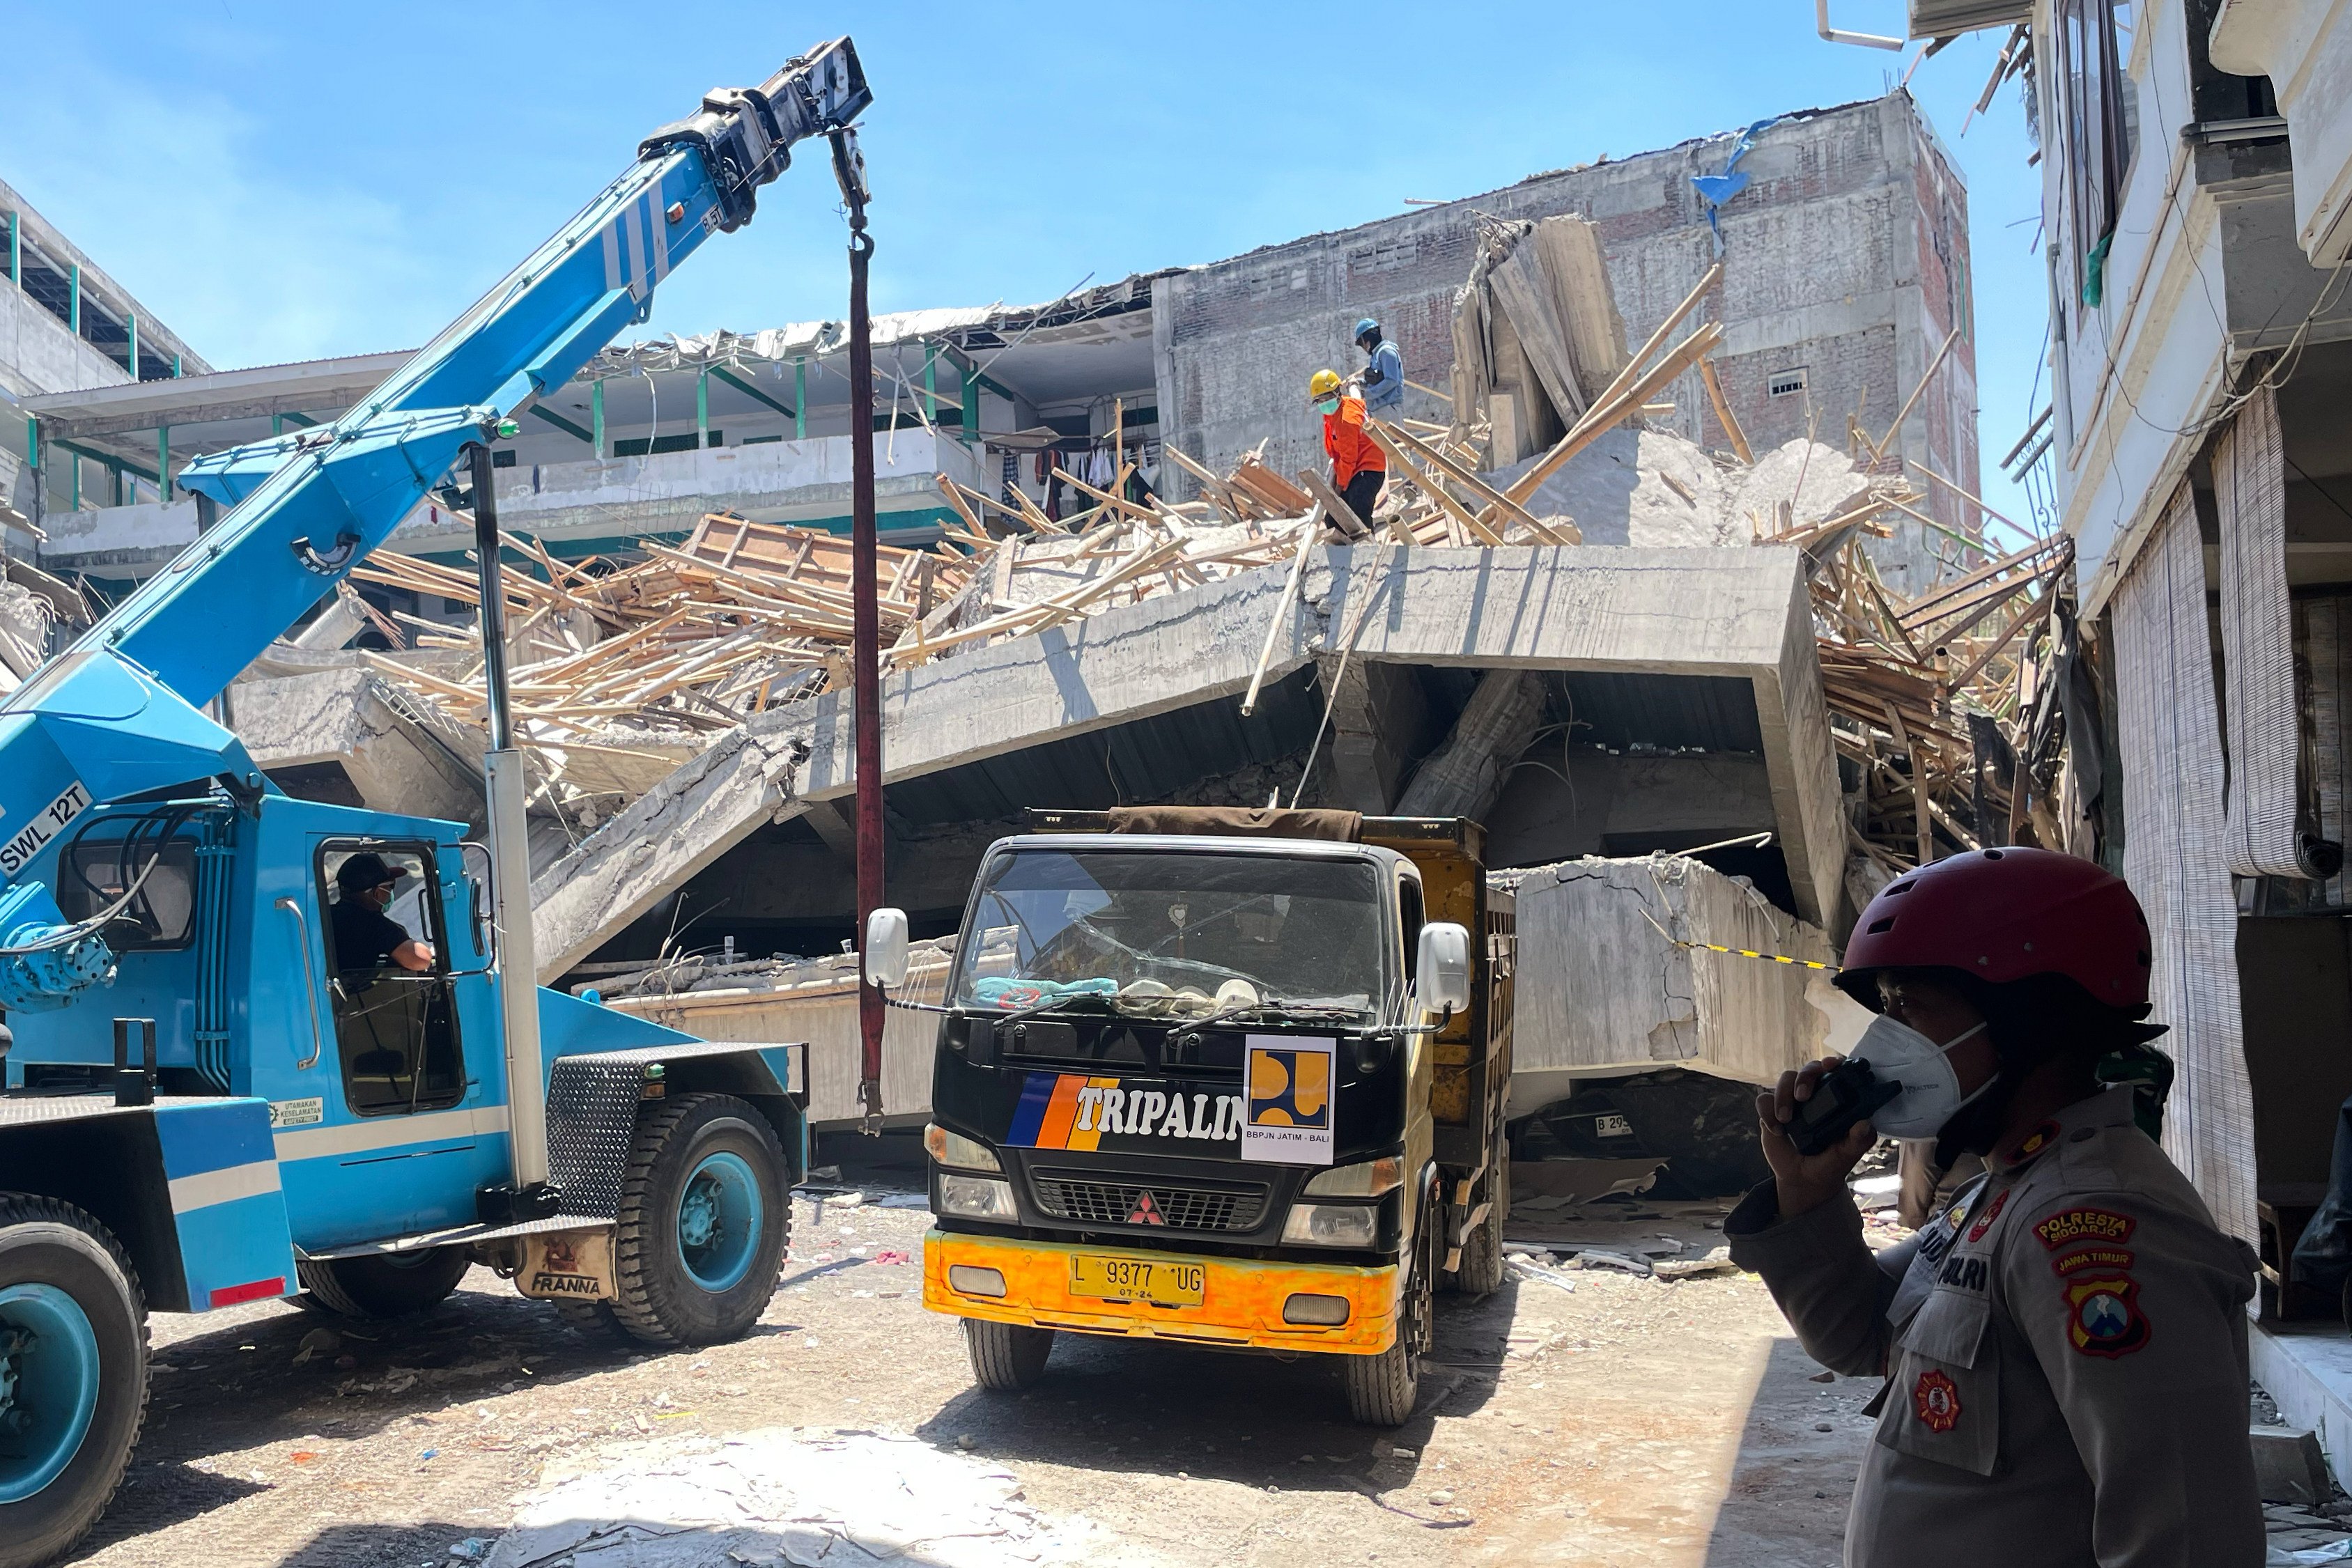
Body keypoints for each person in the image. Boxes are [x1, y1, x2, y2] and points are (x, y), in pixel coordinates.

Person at [1725, 847, 2262, 1567]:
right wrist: (1808, 1194)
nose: (1883, 1040)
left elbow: (2186, 1536)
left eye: (1908, 1007)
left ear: (2027, 1018)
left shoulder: (2094, 1220)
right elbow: (1860, 1335)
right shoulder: (2006, 1190)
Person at [331, 852, 435, 975]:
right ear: (377, 893)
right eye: (391, 886)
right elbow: (420, 959)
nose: (391, 892)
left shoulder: (327, 915)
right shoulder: (373, 924)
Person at [1309, 368, 1384, 533]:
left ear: (1337, 393)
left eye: (1326, 398)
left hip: (1367, 470)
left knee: (1359, 513)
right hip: (1355, 470)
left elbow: (1349, 459)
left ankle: (1369, 551)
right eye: (1319, 401)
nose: (1323, 404)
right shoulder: (1340, 408)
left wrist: (1338, 488)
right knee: (1333, 519)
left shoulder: (1347, 420)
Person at [1352, 317, 1403, 419]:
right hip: (1378, 411)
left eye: (1362, 343)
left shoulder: (1387, 352)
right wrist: (1360, 384)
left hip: (1389, 410)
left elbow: (1391, 380)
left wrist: (1367, 394)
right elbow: (1377, 381)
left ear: (1367, 338)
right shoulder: (1377, 355)